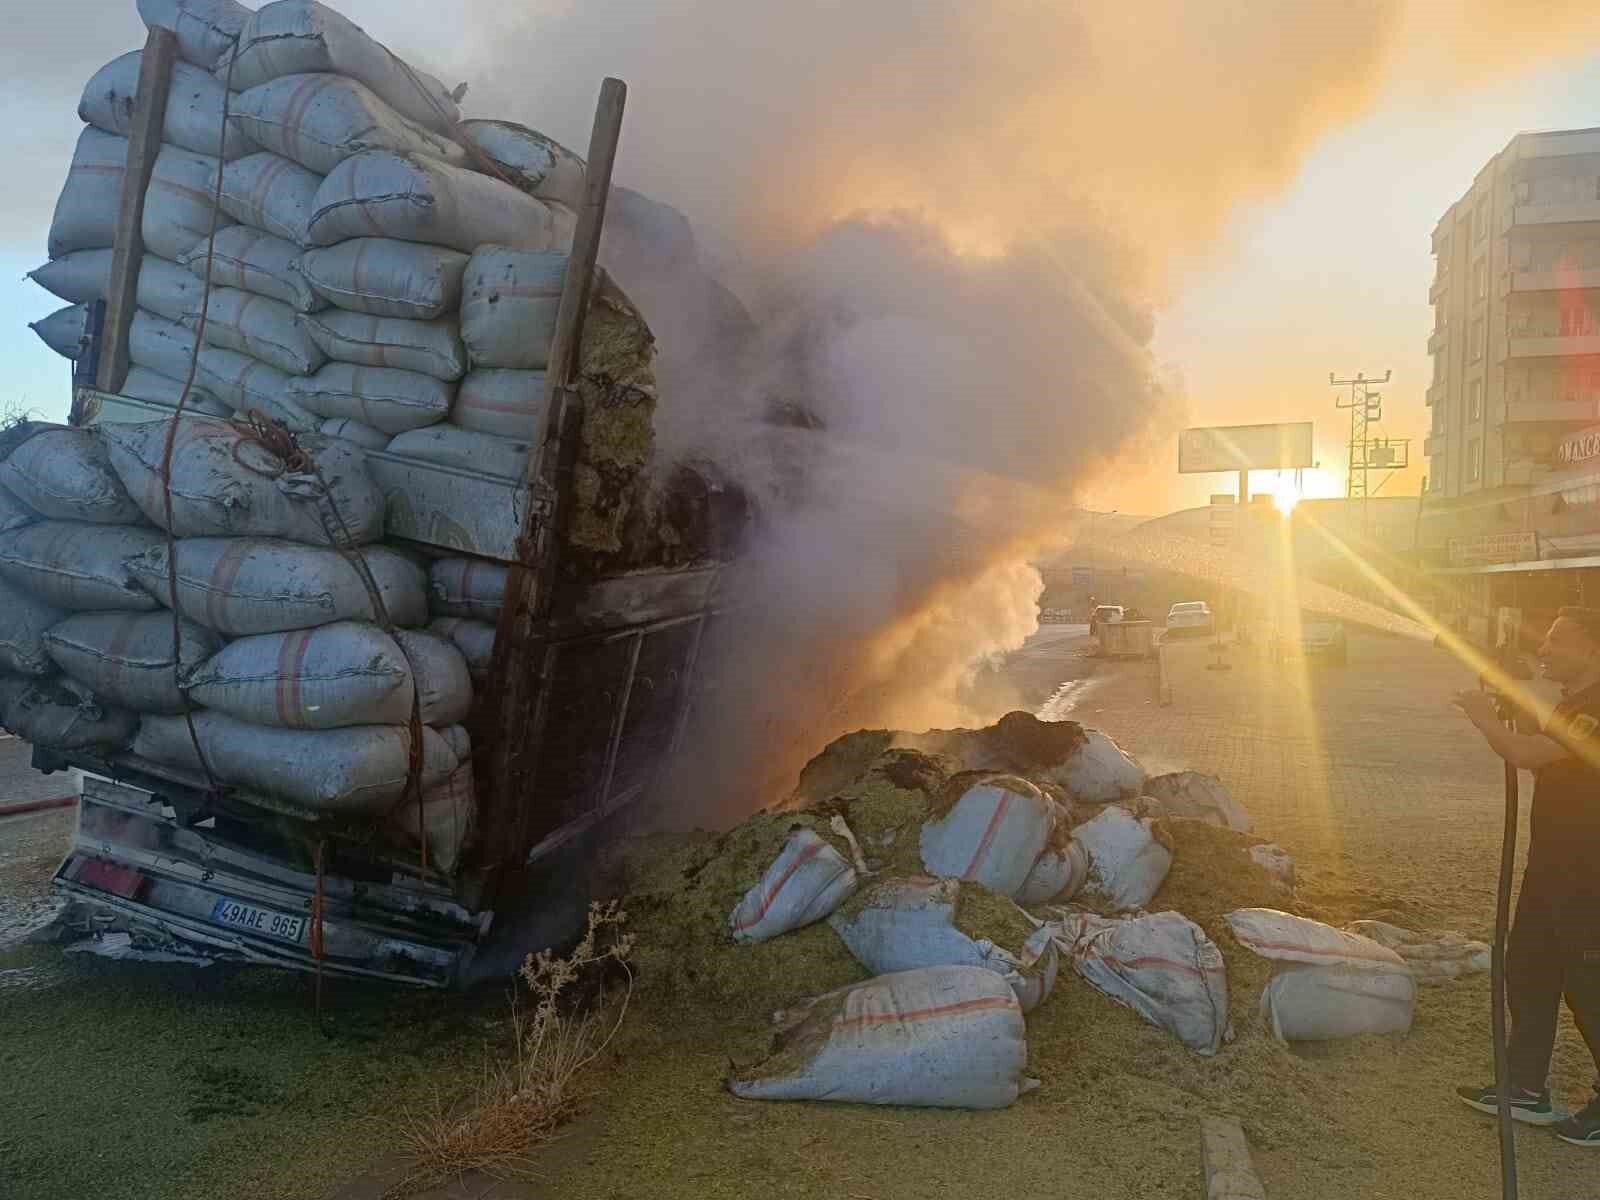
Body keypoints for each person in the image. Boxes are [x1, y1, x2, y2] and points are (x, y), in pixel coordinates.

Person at [1452, 607, 1600, 1147]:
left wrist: (1483, 717)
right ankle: (1525, 1086)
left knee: (1590, 986)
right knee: (1530, 967)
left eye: (1559, 638)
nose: (1545, 647)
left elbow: (1525, 753)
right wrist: (1515, 706)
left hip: (1589, 874)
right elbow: (1551, 759)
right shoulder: (1575, 703)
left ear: (1593, 647)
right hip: (1554, 864)